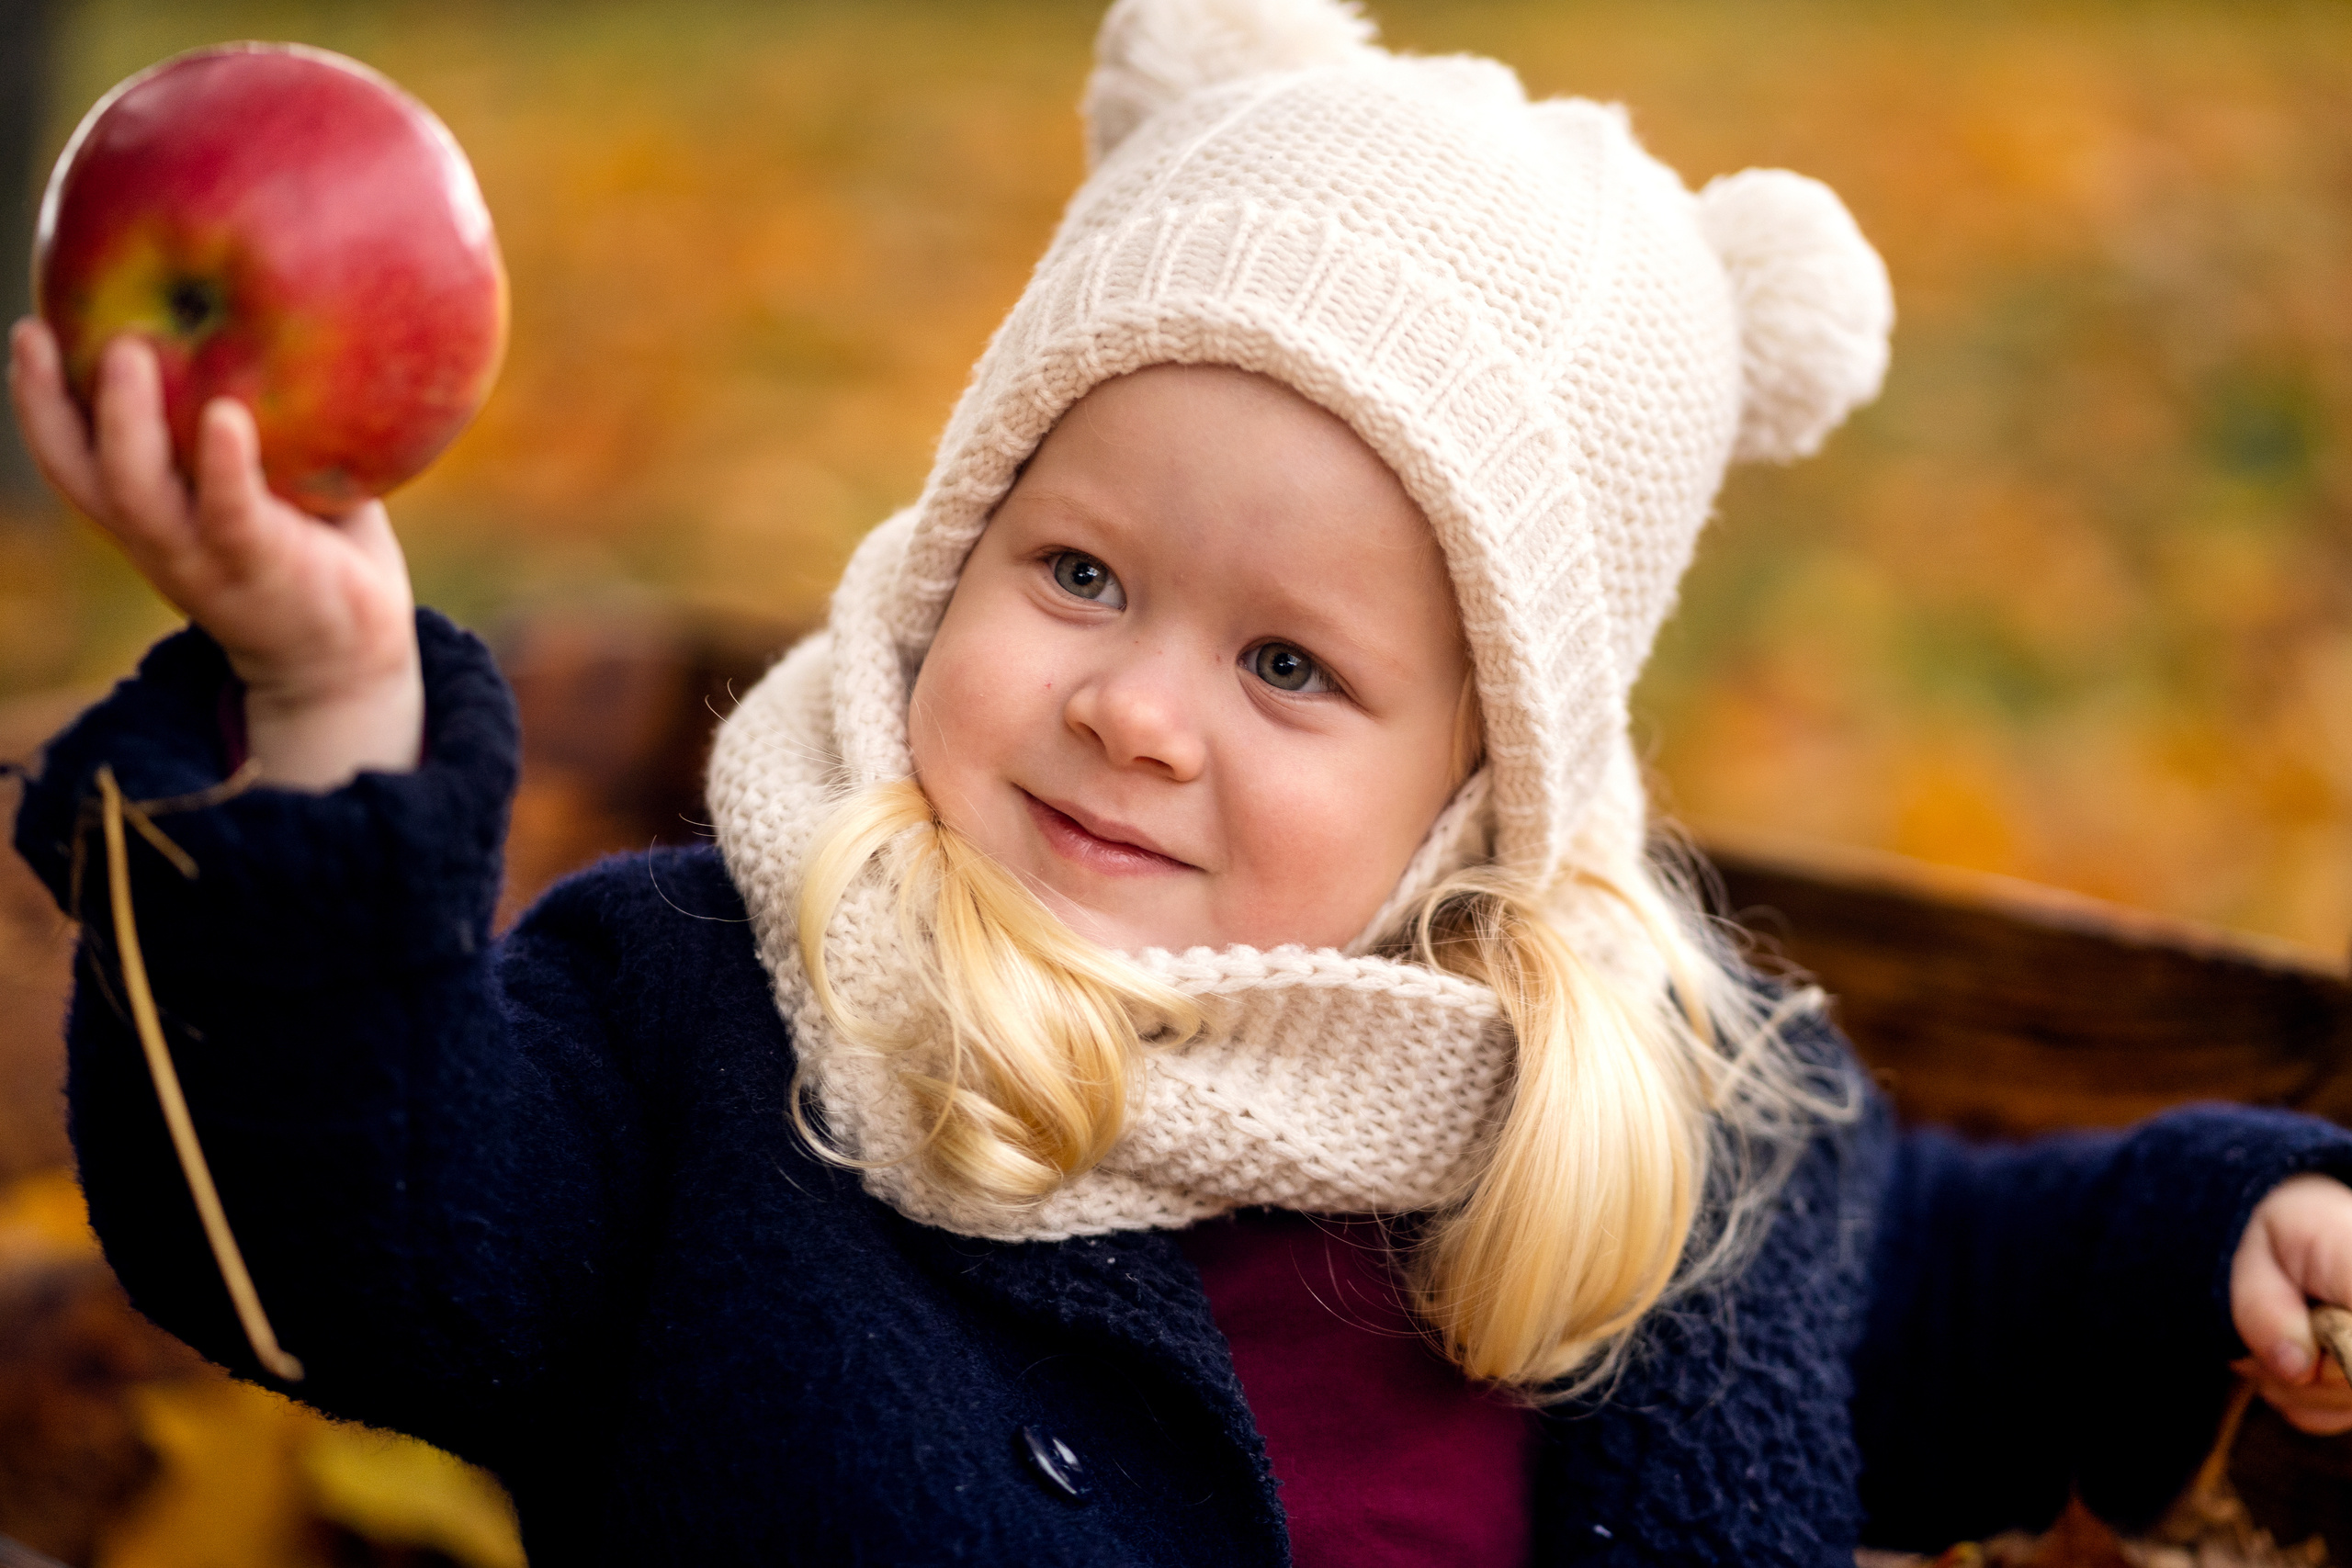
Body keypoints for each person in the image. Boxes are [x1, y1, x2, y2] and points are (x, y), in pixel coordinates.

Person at [8, 1, 2352, 1562]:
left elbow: (1938, 1284)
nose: (1138, 707)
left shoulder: (1624, 1121)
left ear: (1482, 796)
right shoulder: (717, 1020)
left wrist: (2204, 1238)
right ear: (956, 545)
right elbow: (350, 1234)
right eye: (1079, 570)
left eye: (1287, 661)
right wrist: (319, 704)